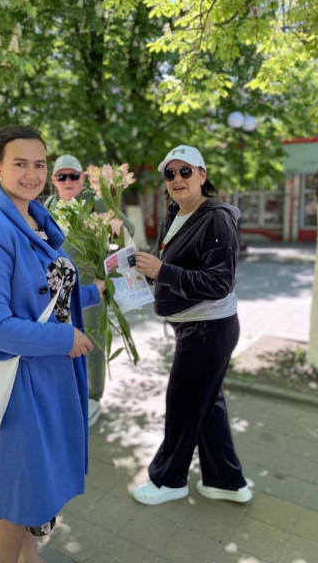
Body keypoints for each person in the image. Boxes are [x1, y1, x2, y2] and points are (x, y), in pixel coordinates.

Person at [0, 125, 105, 563]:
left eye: (39, 164)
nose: (32, 174)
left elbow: (49, 293)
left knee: (31, 495)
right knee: (13, 502)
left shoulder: (36, 220)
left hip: (45, 380)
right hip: (14, 387)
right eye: (20, 163)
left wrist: (95, 291)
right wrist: (66, 337)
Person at [132, 145, 252, 506]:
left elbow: (219, 282)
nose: (177, 179)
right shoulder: (176, 213)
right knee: (206, 405)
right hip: (194, 326)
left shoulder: (215, 218)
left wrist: (162, 271)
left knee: (183, 404)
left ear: (202, 175)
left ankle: (169, 481)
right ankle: (226, 481)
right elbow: (175, 267)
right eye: (170, 173)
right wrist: (146, 275)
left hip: (208, 328)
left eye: (186, 171)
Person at [45, 154, 134, 427]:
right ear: (54, 180)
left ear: (83, 178)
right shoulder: (46, 206)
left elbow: (126, 230)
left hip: (89, 287)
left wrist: (108, 265)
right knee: (60, 342)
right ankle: (67, 394)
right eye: (62, 176)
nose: (68, 181)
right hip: (56, 291)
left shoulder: (94, 203)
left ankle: (92, 396)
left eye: (73, 176)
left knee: (91, 341)